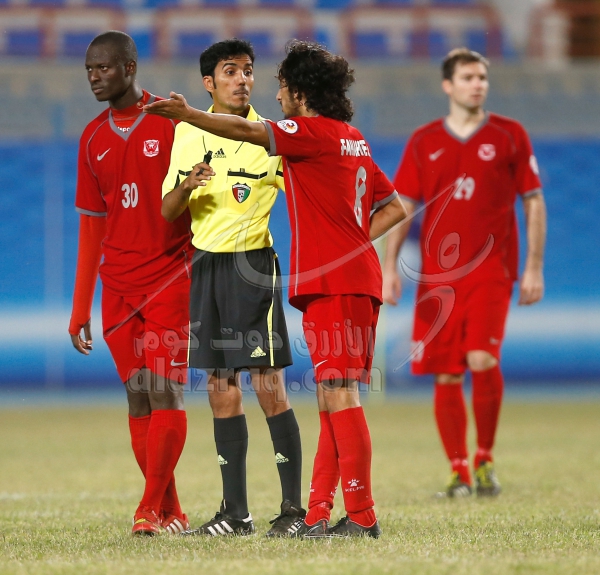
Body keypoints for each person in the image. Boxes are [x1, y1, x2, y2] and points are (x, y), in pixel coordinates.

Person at [145, 39, 407, 538]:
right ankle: (316, 512)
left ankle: (359, 515)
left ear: (301, 92)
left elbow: (249, 130)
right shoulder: (351, 137)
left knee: (336, 393)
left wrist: (187, 114)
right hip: (335, 278)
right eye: (235, 72)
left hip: (317, 279)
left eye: (279, 84)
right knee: (330, 395)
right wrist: (352, 245)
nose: (272, 91)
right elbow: (392, 206)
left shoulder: (305, 133)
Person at [382, 48, 547, 497]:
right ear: (448, 85)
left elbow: (533, 199)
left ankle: (485, 459)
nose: (478, 85)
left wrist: (533, 266)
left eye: (482, 78)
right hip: (438, 277)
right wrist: (389, 267)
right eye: (468, 78)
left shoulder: (510, 134)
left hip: (492, 269)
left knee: (481, 359)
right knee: (447, 372)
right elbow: (404, 206)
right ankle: (458, 471)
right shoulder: (424, 140)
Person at [160, 39, 303, 538]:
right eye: (230, 71)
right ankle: (235, 514)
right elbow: (168, 210)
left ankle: (293, 511)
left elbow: (302, 195)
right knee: (220, 388)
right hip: (206, 268)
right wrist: (187, 185)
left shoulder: (270, 136)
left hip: (253, 268)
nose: (242, 79)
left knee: (268, 384)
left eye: (247, 70)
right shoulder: (187, 132)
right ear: (209, 82)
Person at [68, 31, 193, 535]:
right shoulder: (92, 138)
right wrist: (80, 307)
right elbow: (91, 227)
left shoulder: (172, 121)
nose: (95, 77)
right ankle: (171, 510)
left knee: (165, 391)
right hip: (117, 287)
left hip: (170, 278)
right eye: (89, 70)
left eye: (104, 67)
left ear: (130, 67)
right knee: (139, 397)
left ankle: (146, 510)